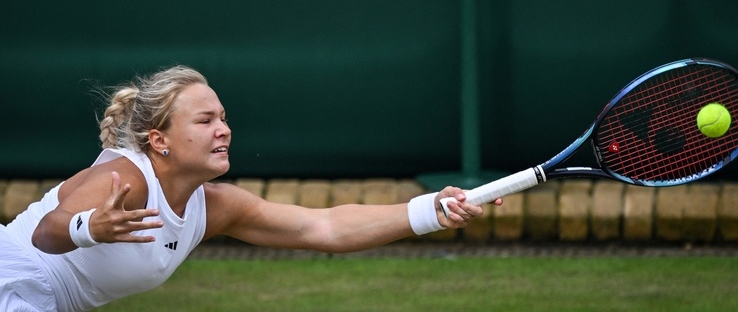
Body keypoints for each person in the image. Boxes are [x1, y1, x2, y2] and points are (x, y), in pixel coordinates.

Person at [0, 65, 500, 311]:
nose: (224, 129)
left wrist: (432, 210)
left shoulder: (213, 207)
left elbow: (322, 226)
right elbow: (48, 232)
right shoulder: (126, 177)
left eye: (223, 117)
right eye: (205, 119)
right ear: (160, 140)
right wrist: (92, 226)